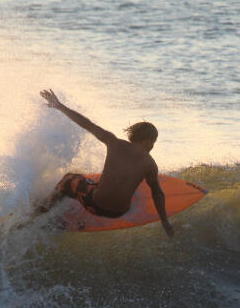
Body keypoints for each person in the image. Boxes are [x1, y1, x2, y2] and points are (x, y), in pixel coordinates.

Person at [36, 89, 174, 238]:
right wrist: (165, 221)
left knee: (69, 178)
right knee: (118, 187)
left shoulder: (113, 143)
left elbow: (87, 124)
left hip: (94, 205)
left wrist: (59, 105)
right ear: (147, 140)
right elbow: (157, 192)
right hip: (120, 212)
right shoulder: (150, 164)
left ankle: (41, 212)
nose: (153, 146)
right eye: (153, 142)